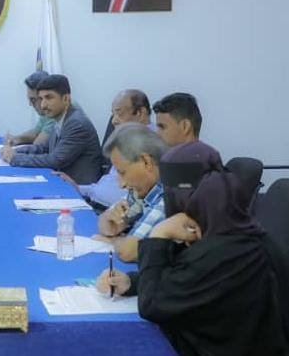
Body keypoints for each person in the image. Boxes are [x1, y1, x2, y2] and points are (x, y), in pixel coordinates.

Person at [96, 141, 289, 356]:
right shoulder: (228, 229)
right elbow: (180, 276)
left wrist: (159, 234)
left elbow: (153, 305)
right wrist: (131, 282)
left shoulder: (222, 253)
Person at [0, 74, 103, 184]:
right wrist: (14, 151)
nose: (43, 105)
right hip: (62, 179)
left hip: (78, 187)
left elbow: (54, 160)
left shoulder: (76, 123)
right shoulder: (60, 117)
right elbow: (44, 148)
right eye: (41, 99)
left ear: (66, 99)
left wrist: (14, 158)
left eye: (49, 98)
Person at [59, 89, 152, 208]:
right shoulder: (126, 138)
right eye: (113, 114)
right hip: (93, 201)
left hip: (111, 211)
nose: (114, 121)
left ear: (140, 113)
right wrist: (78, 187)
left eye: (119, 114)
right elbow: (107, 184)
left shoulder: (149, 143)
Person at [97, 122, 168, 262]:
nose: (121, 184)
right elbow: (104, 222)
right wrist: (112, 225)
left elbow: (129, 252)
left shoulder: (168, 192)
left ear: (146, 162)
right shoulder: (142, 188)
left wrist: (112, 241)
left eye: (122, 172)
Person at [4, 70, 55, 147]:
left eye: (33, 100)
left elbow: (37, 145)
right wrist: (16, 139)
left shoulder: (55, 110)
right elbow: (36, 133)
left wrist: (13, 152)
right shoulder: (46, 111)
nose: (30, 104)